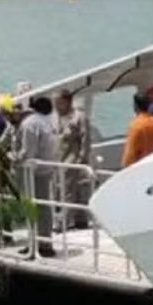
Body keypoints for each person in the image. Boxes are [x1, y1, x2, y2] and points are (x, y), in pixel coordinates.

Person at [8, 95, 58, 259]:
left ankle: (34, 243)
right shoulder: (47, 121)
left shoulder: (30, 124)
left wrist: (13, 157)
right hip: (46, 169)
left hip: (32, 172)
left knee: (31, 207)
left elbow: (28, 152)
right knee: (44, 207)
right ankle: (45, 242)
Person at [54, 89, 91, 230]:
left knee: (67, 191)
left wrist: (82, 158)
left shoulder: (79, 117)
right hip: (58, 158)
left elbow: (85, 138)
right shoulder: (55, 117)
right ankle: (80, 219)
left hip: (72, 158)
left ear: (67, 101)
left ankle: (64, 222)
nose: (56, 106)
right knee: (65, 190)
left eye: (59, 103)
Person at [122, 91, 153, 168]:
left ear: (135, 107)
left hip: (142, 169)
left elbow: (130, 155)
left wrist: (124, 170)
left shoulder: (135, 126)